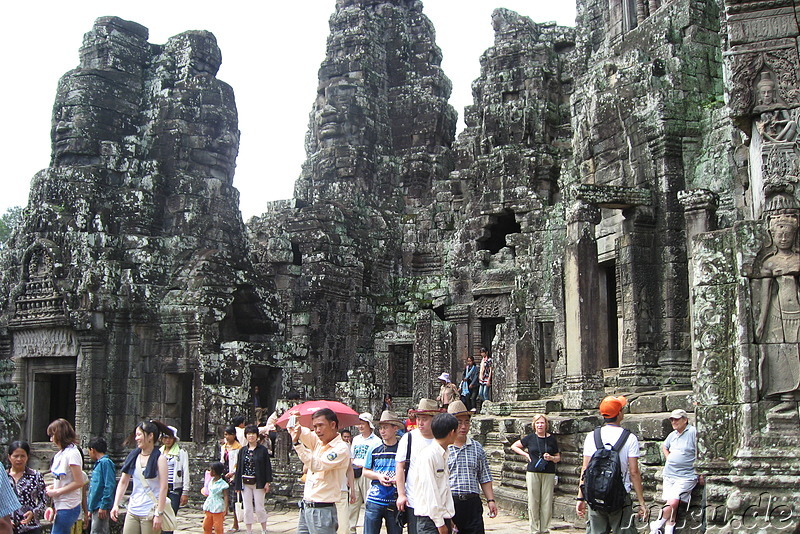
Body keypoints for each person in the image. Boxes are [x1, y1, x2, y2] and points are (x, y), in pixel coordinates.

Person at [576, 396, 646, 534]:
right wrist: (641, 502)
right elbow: (634, 472)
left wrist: (580, 497)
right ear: (619, 413)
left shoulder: (592, 436)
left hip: (595, 495)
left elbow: (585, 469)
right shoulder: (629, 438)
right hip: (619, 496)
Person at [289, 408, 352, 534]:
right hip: (306, 506)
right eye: (315, 426)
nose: (317, 430)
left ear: (333, 424)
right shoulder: (318, 441)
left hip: (322, 510)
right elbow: (300, 431)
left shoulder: (341, 449)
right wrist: (294, 420)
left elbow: (317, 465)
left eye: (321, 426)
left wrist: (297, 444)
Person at [111, 420, 171, 534]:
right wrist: (116, 504)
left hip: (150, 511)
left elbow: (164, 488)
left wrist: (159, 513)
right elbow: (123, 482)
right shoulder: (133, 456)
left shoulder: (160, 459)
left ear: (150, 436)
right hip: (133, 509)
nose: (136, 438)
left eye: (139, 435)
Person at [446, 401, 497, 534]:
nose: (463, 426)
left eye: (466, 422)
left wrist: (490, 500)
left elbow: (484, 476)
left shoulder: (476, 447)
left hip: (472, 502)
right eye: (459, 422)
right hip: (450, 502)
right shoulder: (443, 449)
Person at [649, 410, 699, 534]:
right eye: (672, 419)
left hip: (686, 475)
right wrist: (669, 458)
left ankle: (655, 526)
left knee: (674, 501)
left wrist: (701, 473)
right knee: (672, 506)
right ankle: (668, 531)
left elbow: (702, 451)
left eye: (676, 419)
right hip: (670, 474)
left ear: (685, 420)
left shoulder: (693, 432)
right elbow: (664, 446)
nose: (673, 422)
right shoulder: (673, 434)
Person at [395, 398, 440, 534]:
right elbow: (400, 467)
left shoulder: (441, 440)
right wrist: (401, 494)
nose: (420, 422)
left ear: (434, 419)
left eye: (424, 419)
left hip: (437, 500)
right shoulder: (408, 438)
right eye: (418, 418)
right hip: (415, 500)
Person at [510, 414, 560, 534]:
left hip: (548, 472)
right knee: (533, 500)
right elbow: (514, 446)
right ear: (534, 425)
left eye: (542, 423)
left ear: (546, 425)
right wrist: (526, 455)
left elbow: (558, 457)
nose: (540, 425)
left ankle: (545, 528)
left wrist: (551, 457)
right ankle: (535, 529)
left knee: (547, 501)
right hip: (533, 471)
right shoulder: (530, 438)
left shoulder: (551, 439)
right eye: (537, 423)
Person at [412, 413, 459, 534]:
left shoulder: (444, 454)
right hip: (430, 521)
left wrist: (448, 516)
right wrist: (440, 523)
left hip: (443, 517)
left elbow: (444, 489)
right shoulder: (428, 456)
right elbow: (430, 491)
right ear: (451, 432)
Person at [362, 411, 405, 534]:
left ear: (395, 428)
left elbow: (407, 469)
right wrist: (378, 476)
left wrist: (398, 478)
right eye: (380, 428)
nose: (382, 431)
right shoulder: (374, 448)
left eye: (385, 427)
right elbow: (365, 471)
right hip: (375, 498)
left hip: (395, 498)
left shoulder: (402, 449)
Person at [45, 419, 85, 534]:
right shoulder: (61, 454)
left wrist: (57, 492)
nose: (51, 439)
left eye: (53, 435)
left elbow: (79, 482)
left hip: (68, 505)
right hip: (60, 504)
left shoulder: (72, 453)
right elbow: (64, 480)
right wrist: (53, 487)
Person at [233, 425, 272, 534]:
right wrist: (237, 485)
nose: (251, 436)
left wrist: (267, 482)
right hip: (245, 482)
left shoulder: (262, 450)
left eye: (253, 434)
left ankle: (264, 529)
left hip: (259, 482)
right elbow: (239, 468)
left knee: (259, 507)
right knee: (247, 508)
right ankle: (249, 530)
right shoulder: (242, 451)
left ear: (257, 435)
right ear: (246, 436)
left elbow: (267, 467)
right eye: (249, 434)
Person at [350, 413, 382, 534]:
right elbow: (352, 457)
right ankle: (350, 529)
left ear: (369, 425)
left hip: (368, 473)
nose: (360, 426)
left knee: (369, 503)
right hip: (355, 472)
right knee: (353, 503)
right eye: (359, 424)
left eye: (363, 424)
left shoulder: (376, 441)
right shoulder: (356, 440)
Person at [6, 441, 46, 534]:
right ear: (9, 457)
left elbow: (44, 500)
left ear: (27, 457)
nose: (19, 459)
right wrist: (4, 519)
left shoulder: (35, 476)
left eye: (22, 456)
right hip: (7, 528)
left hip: (30, 527)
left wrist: (34, 512)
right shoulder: (3, 477)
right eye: (15, 456)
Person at [160, 427, 190, 534]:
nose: (167, 440)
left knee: (170, 517)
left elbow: (185, 471)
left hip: (174, 488)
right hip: (160, 488)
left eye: (170, 438)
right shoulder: (159, 453)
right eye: (165, 437)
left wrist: (185, 491)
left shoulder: (181, 453)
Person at [86, 437, 116, 534]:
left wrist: (104, 505)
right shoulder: (99, 464)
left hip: (101, 506)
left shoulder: (106, 463)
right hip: (96, 506)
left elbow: (109, 485)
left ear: (92, 450)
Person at [220, 426, 242, 532]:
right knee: (223, 499)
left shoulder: (239, 447)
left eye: (229, 434)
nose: (227, 437)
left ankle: (235, 524)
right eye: (225, 435)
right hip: (224, 474)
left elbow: (238, 463)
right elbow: (222, 460)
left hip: (233, 475)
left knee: (234, 500)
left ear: (234, 435)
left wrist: (232, 472)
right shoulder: (223, 447)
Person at [203, 462, 229, 534]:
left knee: (218, 527)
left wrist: (226, 508)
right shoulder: (211, 481)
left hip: (218, 506)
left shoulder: (223, 484)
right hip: (210, 504)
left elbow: (226, 496)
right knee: (206, 525)